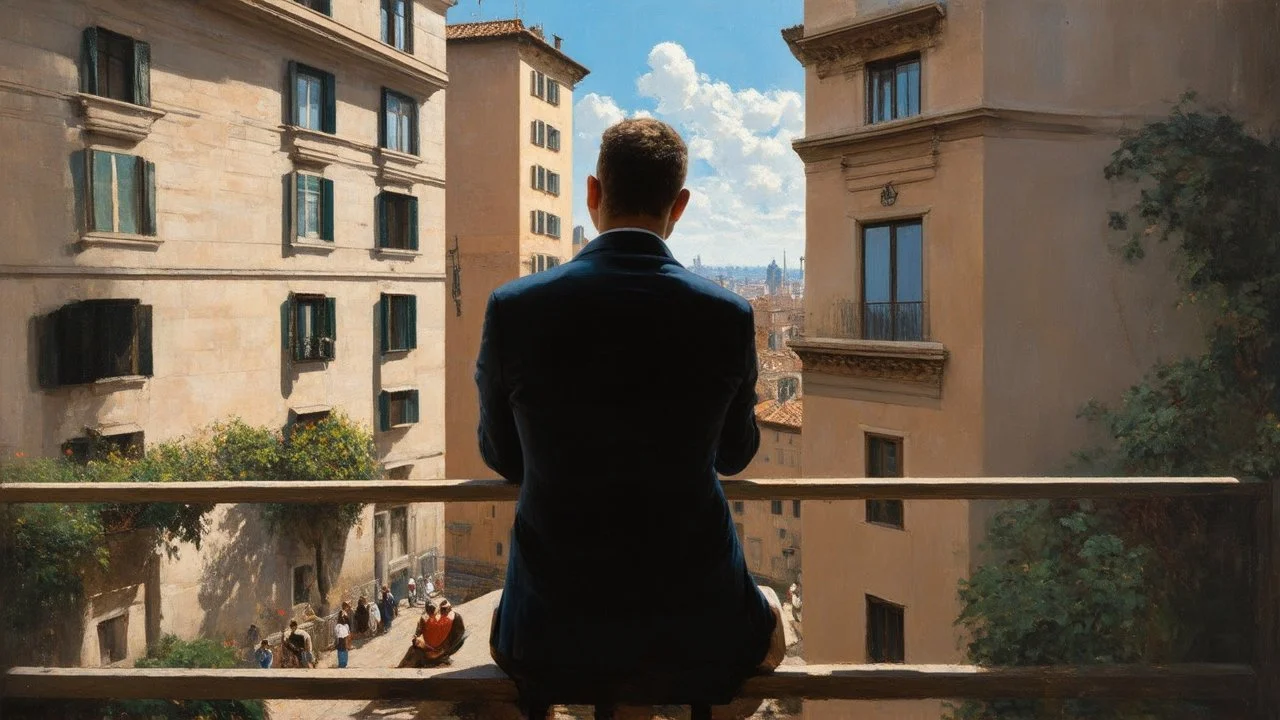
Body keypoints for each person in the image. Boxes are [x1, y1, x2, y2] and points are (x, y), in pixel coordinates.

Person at [477, 118, 785, 720]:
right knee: (769, 619)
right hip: (697, 625)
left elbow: (503, 457)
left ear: (593, 194)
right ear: (681, 206)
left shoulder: (515, 308)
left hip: (548, 631)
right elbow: (734, 455)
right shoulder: (727, 316)